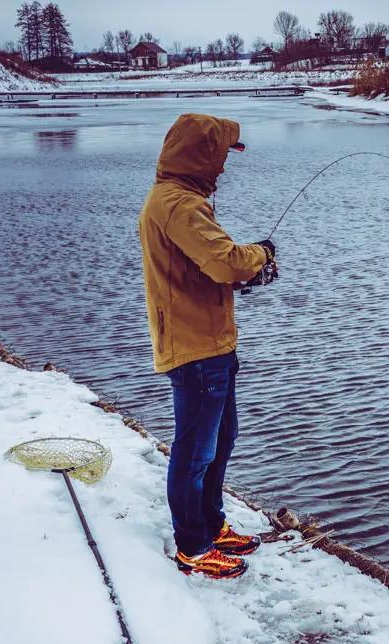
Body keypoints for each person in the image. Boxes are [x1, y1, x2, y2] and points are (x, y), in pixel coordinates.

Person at [138, 113, 278, 579]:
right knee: (195, 450)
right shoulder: (179, 204)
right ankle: (193, 547)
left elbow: (203, 269)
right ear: (201, 156)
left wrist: (243, 272)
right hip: (195, 349)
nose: (222, 167)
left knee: (220, 441)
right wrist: (260, 255)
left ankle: (212, 526)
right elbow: (225, 262)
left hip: (212, 343)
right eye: (220, 157)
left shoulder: (178, 199)